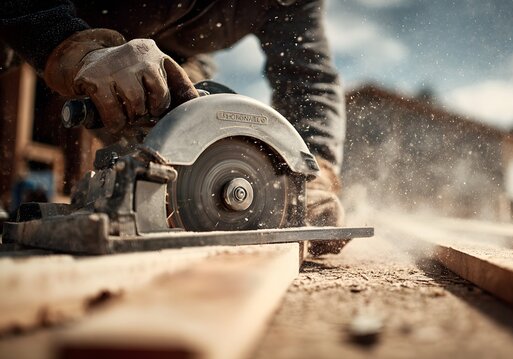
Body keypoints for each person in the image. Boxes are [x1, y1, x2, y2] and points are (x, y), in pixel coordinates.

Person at [0, 0, 348, 255]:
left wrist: (311, 168)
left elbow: (310, 81)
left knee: (190, 120)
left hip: (175, 56)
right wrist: (72, 45)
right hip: (53, 18)